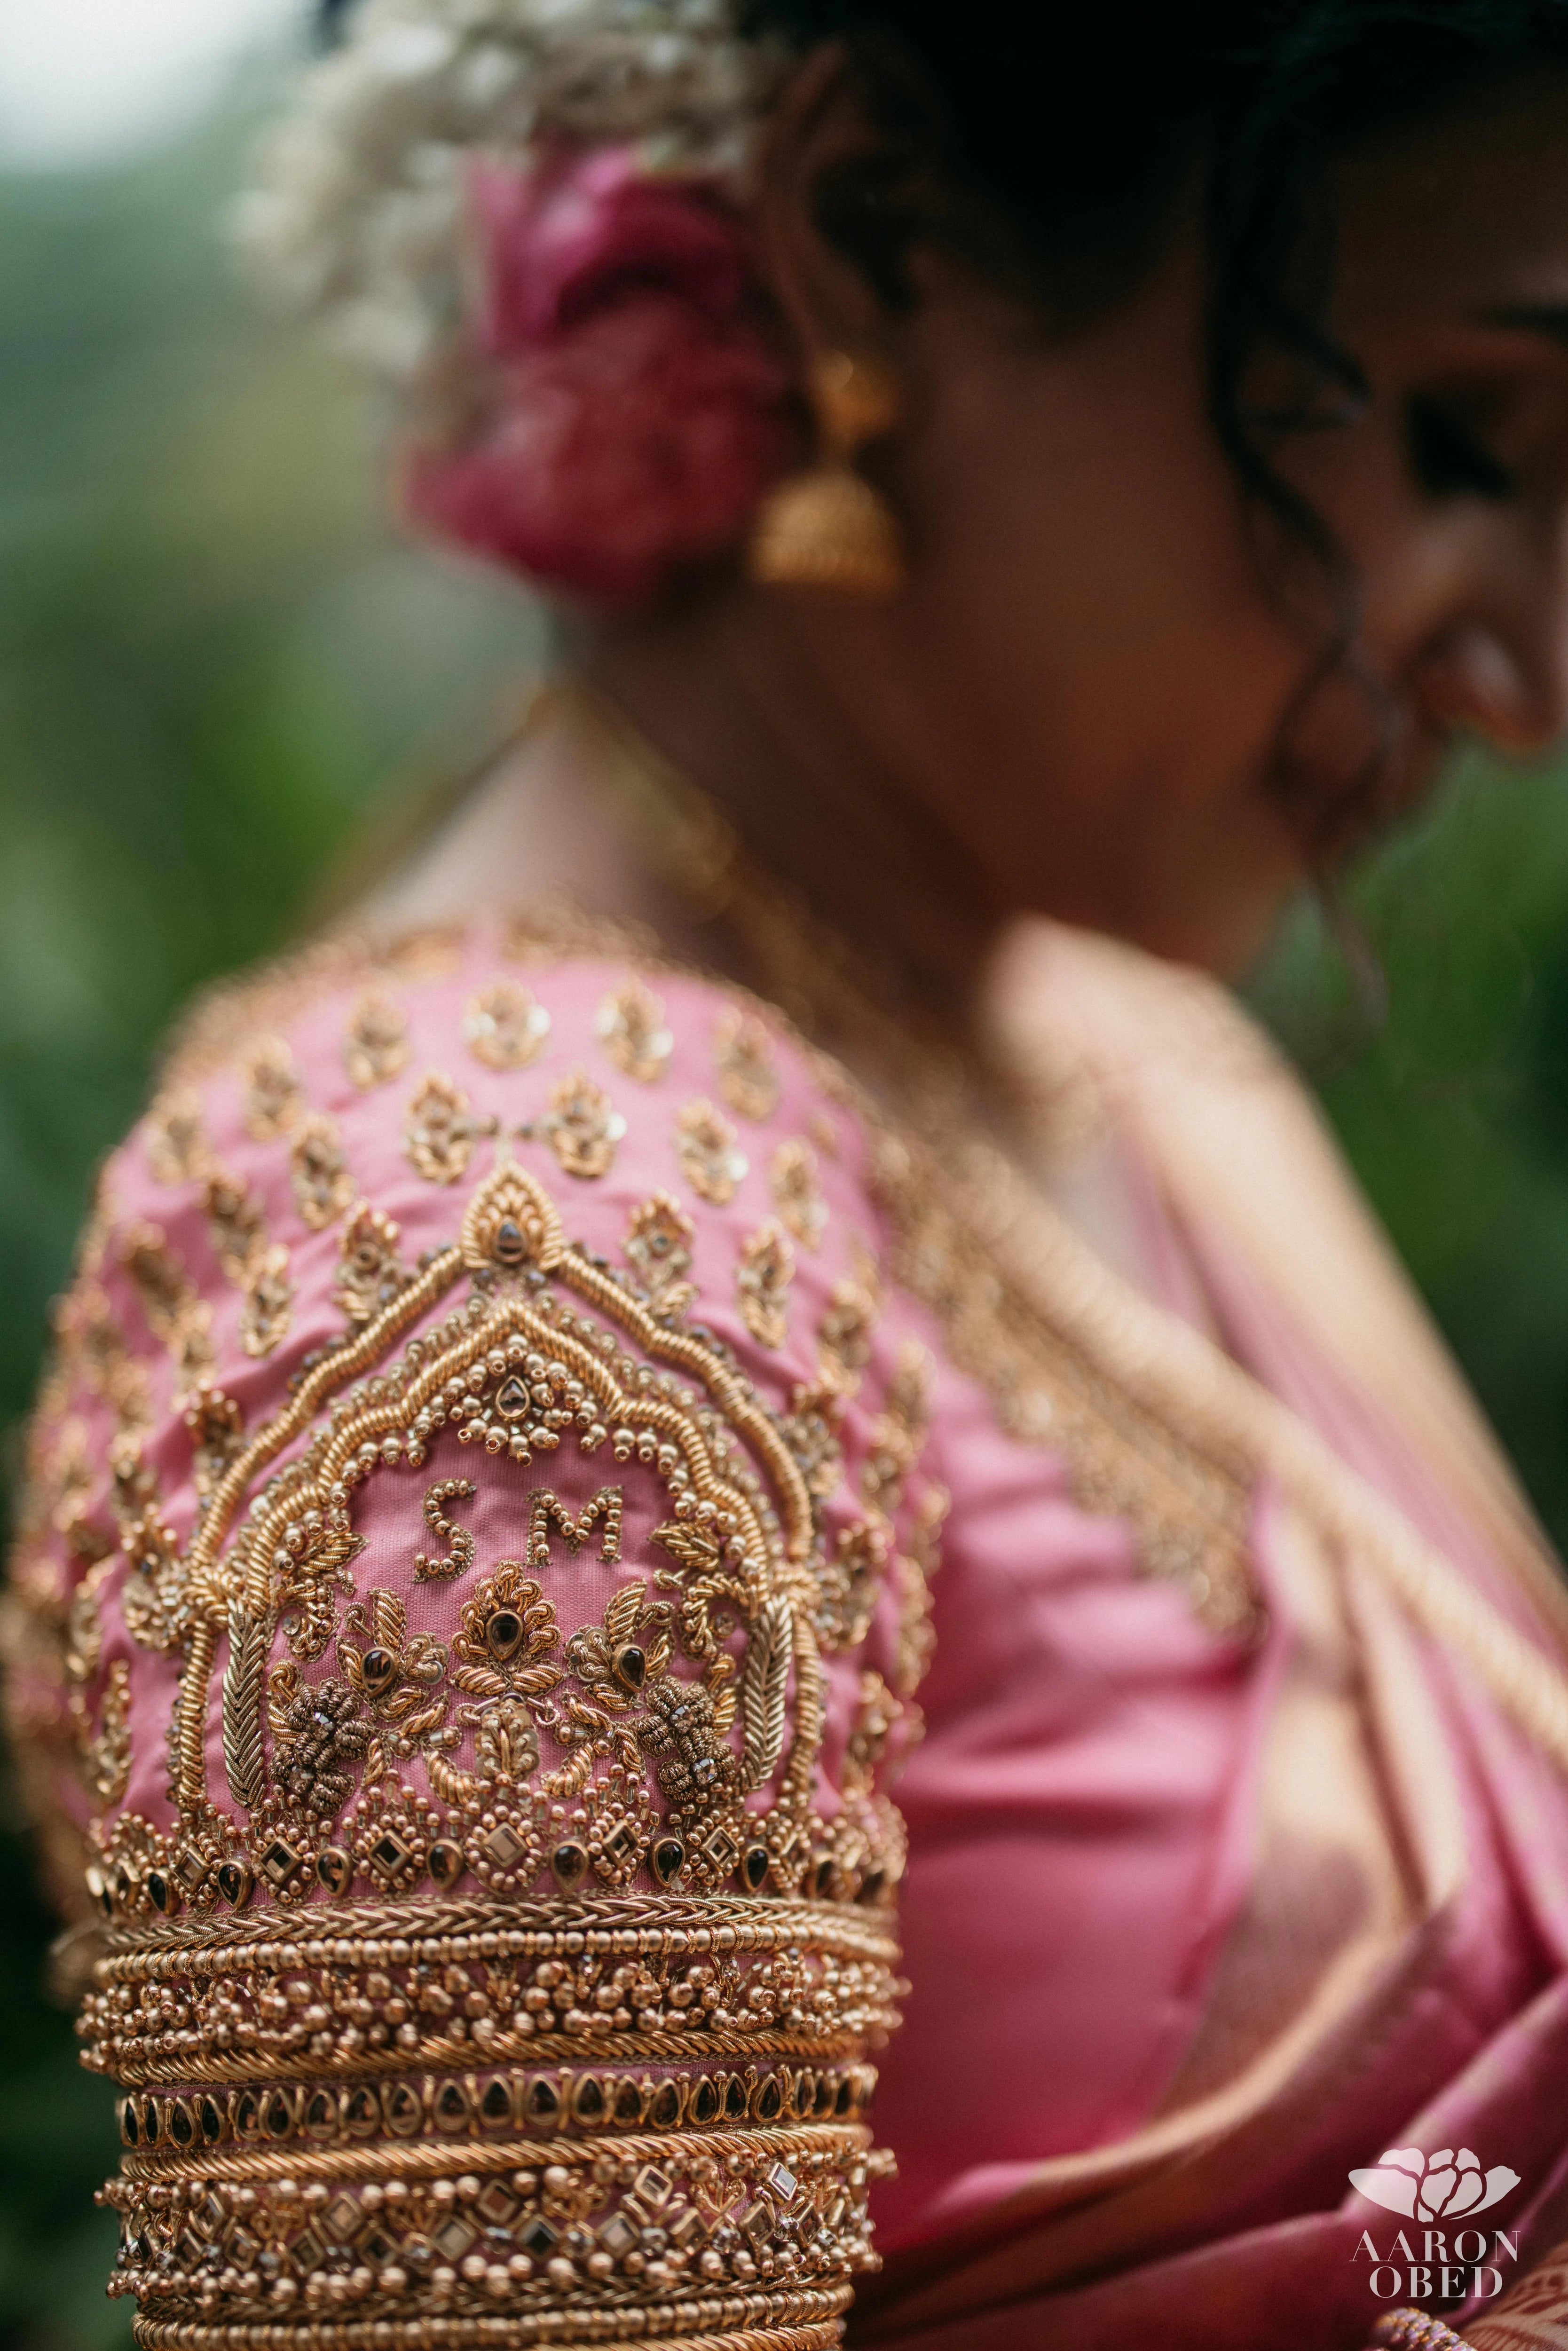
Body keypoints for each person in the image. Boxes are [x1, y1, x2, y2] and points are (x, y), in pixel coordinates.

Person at [13, 3, 1568, 2346]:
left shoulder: (1128, 1039)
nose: (1531, 665)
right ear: (865, 241)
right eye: (1472, 437)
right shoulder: (499, 1241)